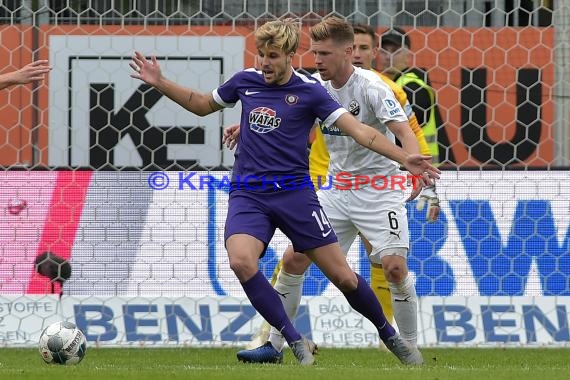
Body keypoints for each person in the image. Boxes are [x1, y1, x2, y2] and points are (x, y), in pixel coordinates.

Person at [131, 19, 437, 366]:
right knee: (278, 261)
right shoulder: (281, 83)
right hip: (319, 189)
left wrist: (408, 160)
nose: (265, 62)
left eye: (273, 56)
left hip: (359, 189)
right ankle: (280, 343)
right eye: (261, 54)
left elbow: (368, 132)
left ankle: (402, 344)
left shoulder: (360, 88)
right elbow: (220, 106)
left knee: (373, 272)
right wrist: (242, 123)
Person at [235, 17, 427, 365]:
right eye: (314, 51)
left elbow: (404, 130)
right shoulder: (314, 87)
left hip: (378, 189)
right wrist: (245, 125)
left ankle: (410, 349)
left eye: (324, 53)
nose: (317, 59)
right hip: (336, 189)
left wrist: (413, 166)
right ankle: (274, 344)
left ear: (348, 53)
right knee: (293, 259)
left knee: (395, 268)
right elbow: (284, 112)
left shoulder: (374, 87)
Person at [379, 27, 442, 222]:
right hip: (398, 177)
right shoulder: (383, 84)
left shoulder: (413, 86)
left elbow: (406, 129)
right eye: (385, 50)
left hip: (414, 178)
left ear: (408, 54)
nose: (389, 56)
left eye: (396, 50)